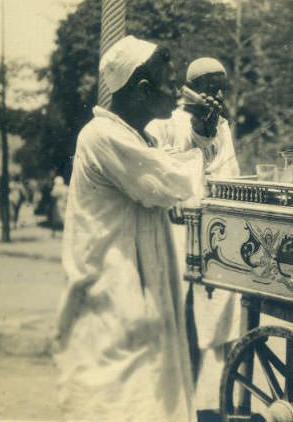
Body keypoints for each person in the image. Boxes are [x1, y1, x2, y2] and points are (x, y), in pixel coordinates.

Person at [53, 36, 221, 421]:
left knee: (142, 391)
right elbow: (168, 182)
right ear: (143, 90)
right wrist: (199, 146)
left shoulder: (135, 135)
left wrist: (201, 134)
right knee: (118, 394)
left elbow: (167, 160)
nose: (180, 92)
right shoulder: (101, 136)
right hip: (110, 285)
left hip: (135, 283)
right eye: (171, 83)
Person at [145, 57, 241, 420]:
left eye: (221, 87)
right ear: (191, 87)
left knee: (218, 315)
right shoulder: (163, 122)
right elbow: (160, 172)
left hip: (213, 230)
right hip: (176, 230)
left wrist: (210, 133)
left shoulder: (223, 125)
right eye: (209, 86)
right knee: (179, 315)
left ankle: (214, 400)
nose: (216, 94)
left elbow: (228, 172)